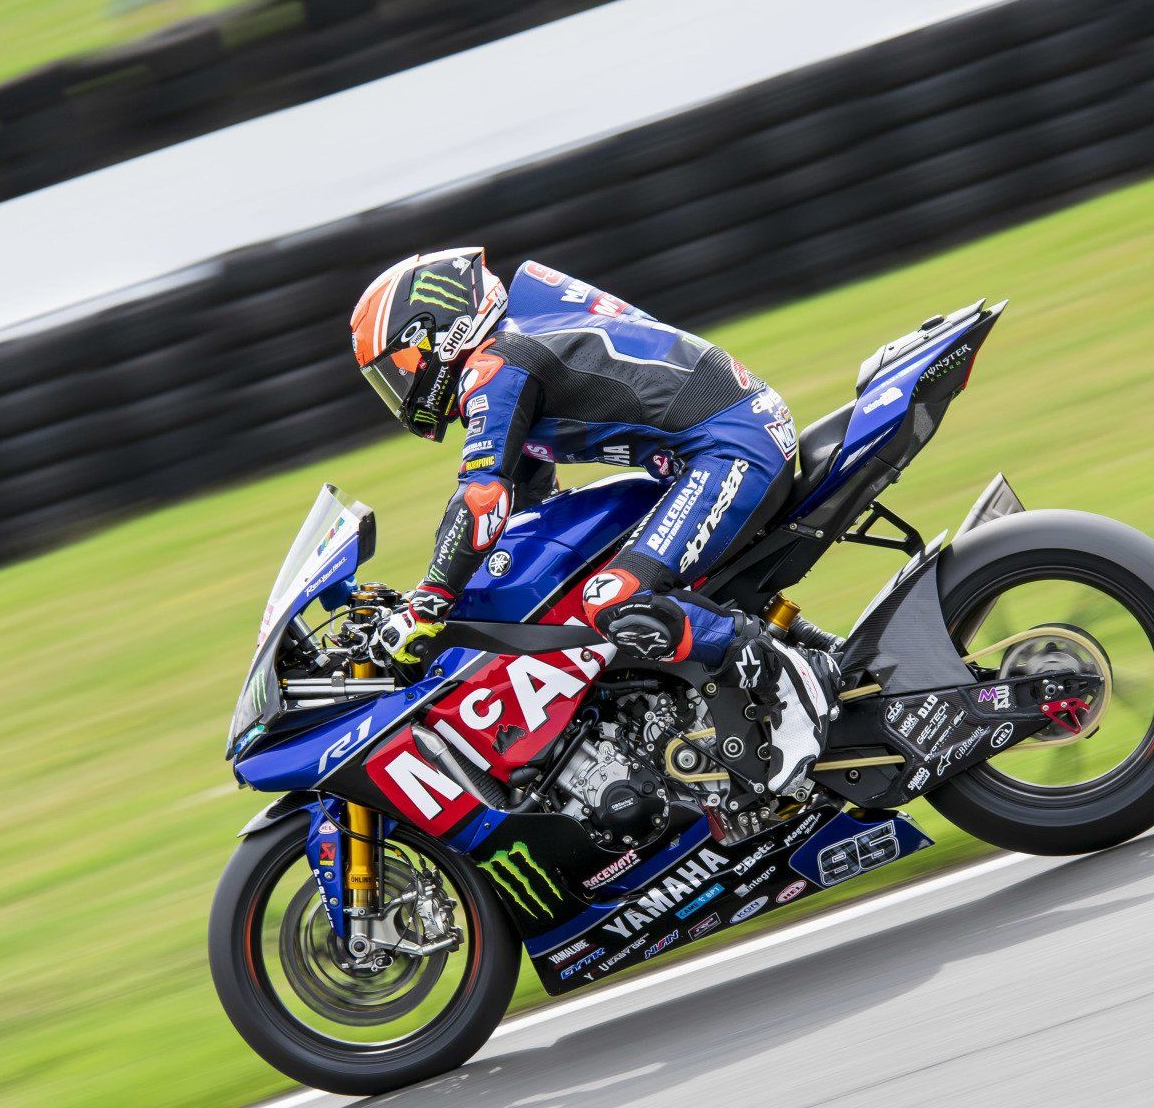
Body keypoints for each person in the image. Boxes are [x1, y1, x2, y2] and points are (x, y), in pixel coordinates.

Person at [350, 247, 834, 792]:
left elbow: (483, 500)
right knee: (597, 577)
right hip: (708, 452)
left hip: (729, 450)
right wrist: (439, 588)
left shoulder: (495, 364)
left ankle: (781, 680)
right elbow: (521, 505)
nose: (400, 385)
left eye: (402, 364)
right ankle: (803, 655)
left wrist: (427, 603)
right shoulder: (517, 348)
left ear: (442, 331)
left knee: (612, 597)